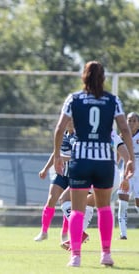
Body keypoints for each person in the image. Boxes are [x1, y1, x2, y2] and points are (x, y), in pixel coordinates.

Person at [53, 61, 135, 267]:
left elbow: (59, 128)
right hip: (104, 163)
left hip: (81, 160)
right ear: (103, 78)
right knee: (105, 208)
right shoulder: (113, 100)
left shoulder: (73, 99)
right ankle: (106, 254)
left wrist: (56, 155)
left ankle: (76, 257)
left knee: (77, 210)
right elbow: (125, 129)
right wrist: (131, 159)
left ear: (83, 77)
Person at [60, 130, 129, 250]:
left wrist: (59, 157)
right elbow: (127, 158)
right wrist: (126, 178)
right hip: (114, 177)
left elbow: (78, 156)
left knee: (64, 199)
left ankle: (78, 234)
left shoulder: (89, 133)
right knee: (90, 203)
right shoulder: (113, 134)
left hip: (98, 174)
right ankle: (82, 236)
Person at [34, 120, 76, 242]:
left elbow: (79, 156)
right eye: (68, 119)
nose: (69, 122)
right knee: (51, 199)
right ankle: (44, 231)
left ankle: (64, 234)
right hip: (61, 174)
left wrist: (64, 158)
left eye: (72, 120)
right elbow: (55, 153)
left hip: (74, 175)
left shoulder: (79, 136)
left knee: (68, 204)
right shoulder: (62, 134)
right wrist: (45, 169)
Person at [117, 112, 139, 240]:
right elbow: (118, 157)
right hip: (126, 173)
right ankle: (123, 233)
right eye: (129, 120)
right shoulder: (122, 137)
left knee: (137, 205)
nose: (131, 123)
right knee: (123, 203)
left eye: (134, 121)